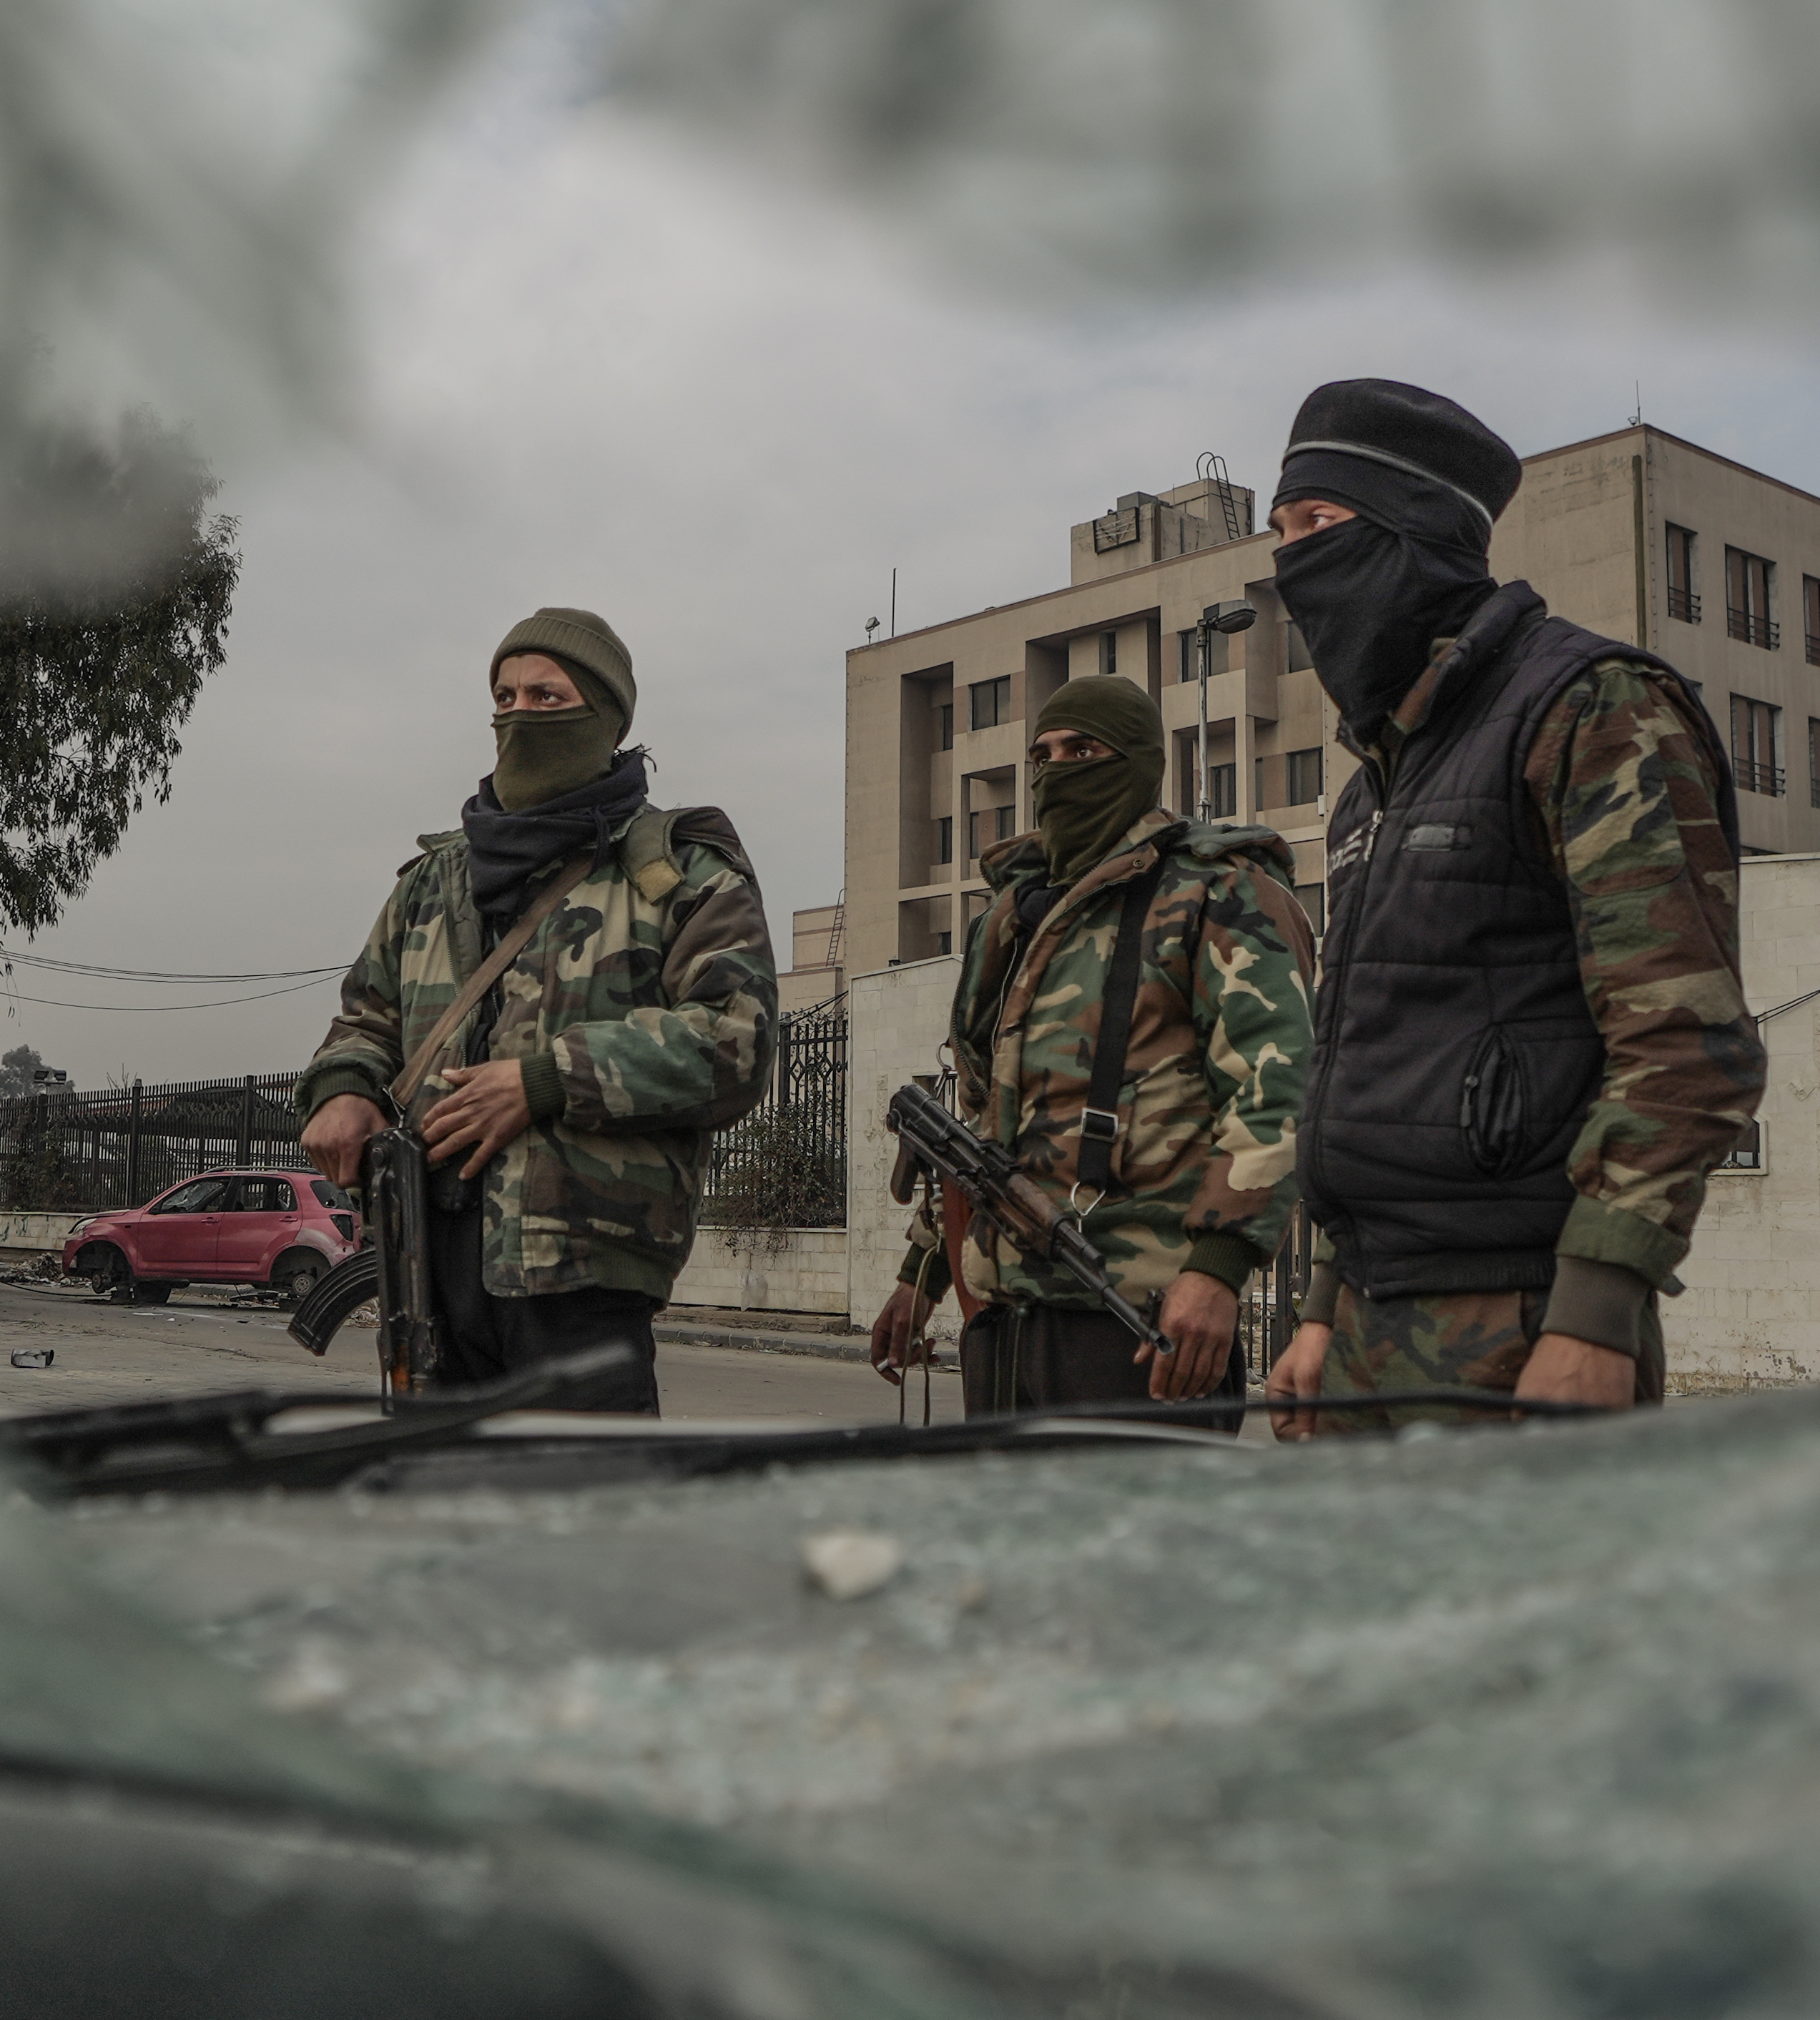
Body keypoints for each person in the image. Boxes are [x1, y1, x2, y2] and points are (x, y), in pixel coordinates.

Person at [1260, 378, 1763, 1423]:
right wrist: (1320, 1306)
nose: (1291, 562)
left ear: (1415, 532)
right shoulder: (1371, 787)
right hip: (1363, 1323)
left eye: (1319, 524)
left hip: (1519, 1324)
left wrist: (1594, 1312)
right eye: (1281, 532)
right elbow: (1364, 1059)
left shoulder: (1590, 707)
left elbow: (1684, 1043)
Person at [295, 608, 777, 1414]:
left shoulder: (678, 872)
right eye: (505, 696)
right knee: (446, 1516)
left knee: (584, 1524)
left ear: (606, 716)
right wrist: (342, 1087)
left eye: (548, 697)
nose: (520, 715)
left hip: (579, 1269)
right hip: (426, 1259)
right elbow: (365, 1017)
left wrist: (544, 1080)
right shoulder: (432, 880)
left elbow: (737, 1040)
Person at [867, 676, 1314, 1419]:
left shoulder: (1216, 895)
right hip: (1007, 1323)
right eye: (1040, 754)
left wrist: (1218, 1270)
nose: (1054, 771)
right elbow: (982, 1130)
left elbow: (1276, 1093)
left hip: (1142, 1324)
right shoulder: (1016, 919)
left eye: (1081, 749)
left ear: (1136, 762)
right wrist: (921, 1275)